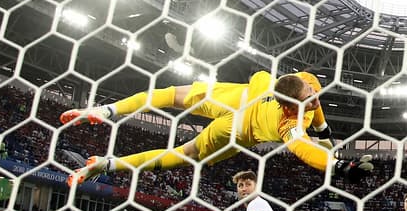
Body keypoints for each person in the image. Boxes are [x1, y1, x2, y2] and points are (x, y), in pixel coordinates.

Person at [63, 72, 373, 185]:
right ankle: (103, 112)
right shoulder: (288, 123)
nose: (314, 97)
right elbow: (303, 149)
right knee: (183, 149)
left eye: (312, 92)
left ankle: (105, 163)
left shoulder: (303, 84)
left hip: (237, 95)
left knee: (172, 99)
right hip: (236, 130)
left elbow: (316, 110)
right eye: (308, 98)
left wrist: (325, 136)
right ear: (291, 107)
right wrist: (337, 164)